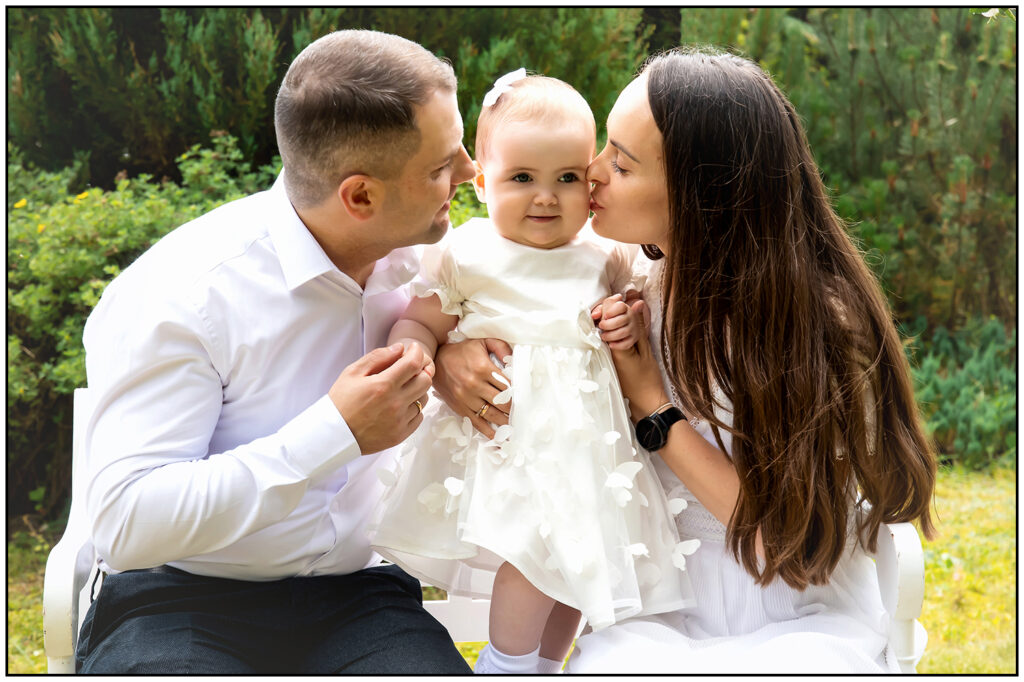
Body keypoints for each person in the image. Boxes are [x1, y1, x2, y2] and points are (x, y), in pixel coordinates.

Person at [438, 48, 938, 674]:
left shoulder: (812, 324)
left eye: (620, 163)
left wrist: (653, 405)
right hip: (654, 606)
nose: (591, 172)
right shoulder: (628, 282)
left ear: (700, 193)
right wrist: (449, 356)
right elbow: (498, 297)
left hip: (794, 613)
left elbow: (788, 546)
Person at [75, 30, 479, 674]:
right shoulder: (183, 294)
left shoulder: (441, 263)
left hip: (360, 595)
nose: (470, 172)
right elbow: (126, 523)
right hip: (178, 599)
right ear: (360, 196)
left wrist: (447, 346)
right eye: (441, 167)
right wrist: (335, 432)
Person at [368, 71, 697, 675]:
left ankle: (546, 663)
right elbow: (421, 320)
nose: (546, 197)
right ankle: (506, 662)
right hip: (512, 441)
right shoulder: (469, 253)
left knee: (578, 564)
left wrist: (624, 320)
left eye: (567, 178)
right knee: (533, 551)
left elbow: (631, 315)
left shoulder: (605, 254)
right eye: (522, 178)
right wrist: (415, 352)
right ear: (482, 184)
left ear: (589, 183)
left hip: (587, 448)